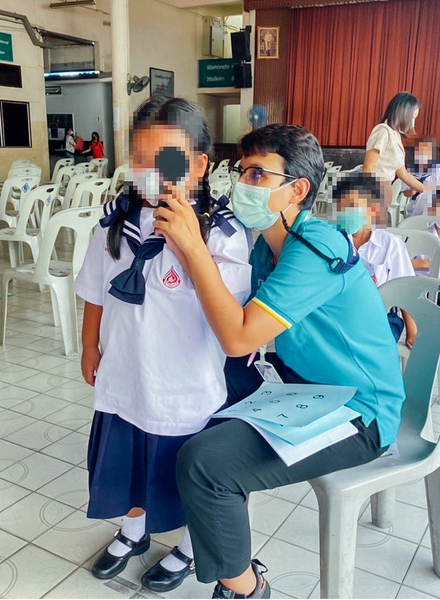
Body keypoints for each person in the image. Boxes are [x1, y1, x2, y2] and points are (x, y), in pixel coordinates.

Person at [154, 123, 406, 599]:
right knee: (186, 395)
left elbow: (237, 336)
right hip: (300, 386)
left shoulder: (317, 247)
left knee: (205, 462)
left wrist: (192, 247)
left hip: (359, 411)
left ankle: (247, 586)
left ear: (298, 189)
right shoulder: (267, 247)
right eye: (240, 172)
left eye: (257, 174)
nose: (242, 185)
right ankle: (197, 535)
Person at [72, 96, 251, 594]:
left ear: (197, 165)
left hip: (187, 391)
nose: (151, 171)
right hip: (126, 380)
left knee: (188, 480)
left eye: (167, 160)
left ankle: (193, 547)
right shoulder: (114, 226)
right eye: (141, 159)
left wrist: (192, 248)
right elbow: (94, 293)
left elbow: (231, 319)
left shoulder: (222, 234)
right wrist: (90, 348)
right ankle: (132, 531)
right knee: (126, 469)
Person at [331, 172, 418, 347]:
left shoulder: (390, 245)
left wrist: (412, 330)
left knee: (363, 348)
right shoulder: (332, 240)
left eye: (352, 206)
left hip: (381, 317)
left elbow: (405, 288)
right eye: (340, 207)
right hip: (340, 314)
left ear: (373, 209)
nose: (344, 212)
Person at [362, 92, 432, 198]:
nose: (412, 123)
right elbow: (367, 167)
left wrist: (428, 190)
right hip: (375, 190)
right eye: (412, 118)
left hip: (385, 190)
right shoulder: (383, 131)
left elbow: (403, 174)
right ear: (404, 114)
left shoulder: (395, 135)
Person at [404, 137, 440, 217]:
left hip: (431, 209)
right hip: (413, 209)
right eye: (419, 150)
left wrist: (418, 186)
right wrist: (411, 192)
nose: (422, 153)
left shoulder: (437, 169)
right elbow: (405, 192)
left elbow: (436, 188)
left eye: (426, 151)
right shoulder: (409, 170)